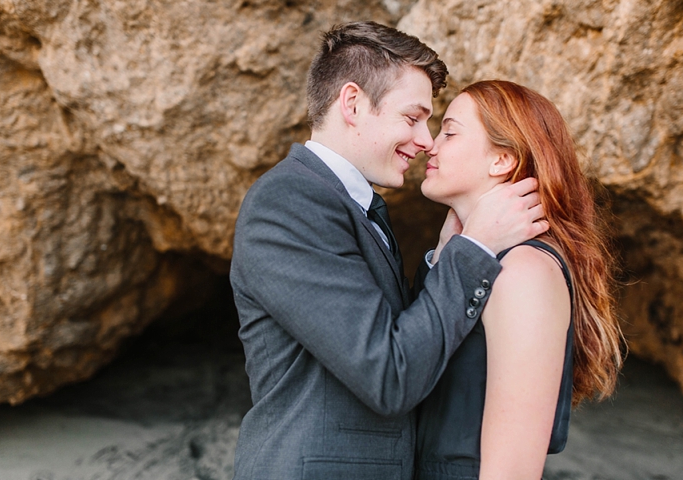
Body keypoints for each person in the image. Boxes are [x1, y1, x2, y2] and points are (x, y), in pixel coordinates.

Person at [229, 23, 547, 480]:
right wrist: (475, 247)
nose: (425, 140)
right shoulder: (289, 202)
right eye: (412, 117)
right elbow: (388, 375)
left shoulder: (355, 206)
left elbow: (395, 336)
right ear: (353, 103)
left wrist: (445, 252)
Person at [414, 80, 625, 480]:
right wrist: (446, 255)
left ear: (502, 160)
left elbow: (511, 471)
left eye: (450, 131)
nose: (430, 144)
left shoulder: (524, 271)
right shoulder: (478, 262)